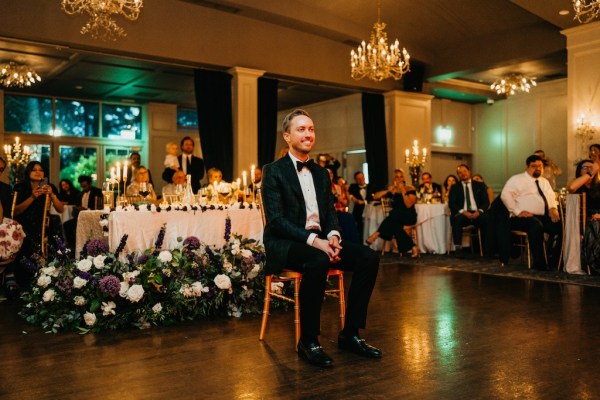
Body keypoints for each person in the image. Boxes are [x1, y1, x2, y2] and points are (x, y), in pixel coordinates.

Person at [262, 109, 381, 367]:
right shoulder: (273, 171)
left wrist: (334, 236)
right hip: (285, 242)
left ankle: (350, 334)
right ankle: (308, 340)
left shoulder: (321, 173)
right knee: (317, 260)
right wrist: (317, 242)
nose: (308, 134)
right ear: (287, 136)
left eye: (311, 129)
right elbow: (277, 221)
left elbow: (330, 213)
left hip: (320, 239)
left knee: (368, 257)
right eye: (301, 129)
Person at [501, 154, 562, 270]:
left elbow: (550, 196)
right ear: (527, 167)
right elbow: (505, 195)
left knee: (562, 227)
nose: (538, 168)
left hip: (541, 216)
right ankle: (539, 263)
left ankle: (555, 260)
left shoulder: (544, 181)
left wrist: (553, 208)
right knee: (536, 225)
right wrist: (518, 211)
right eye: (534, 166)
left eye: (540, 166)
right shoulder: (517, 179)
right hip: (520, 218)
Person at [13, 161, 64, 283]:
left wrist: (52, 195)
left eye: (40, 170)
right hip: (24, 226)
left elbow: (60, 209)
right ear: (28, 172)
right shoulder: (20, 187)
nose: (38, 172)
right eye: (34, 170)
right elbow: (15, 212)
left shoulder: (49, 187)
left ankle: (46, 280)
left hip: (44, 226)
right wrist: (33, 197)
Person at [365, 169, 418, 257]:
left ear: (404, 178)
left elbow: (408, 205)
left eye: (401, 176)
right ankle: (413, 247)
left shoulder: (410, 188)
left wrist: (402, 190)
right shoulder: (392, 190)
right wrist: (388, 191)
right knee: (395, 223)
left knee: (394, 213)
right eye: (397, 177)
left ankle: (376, 234)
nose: (399, 179)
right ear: (394, 179)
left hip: (409, 216)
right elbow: (375, 197)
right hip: (396, 219)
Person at [448, 164, 490, 257]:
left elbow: (486, 202)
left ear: (469, 171)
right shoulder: (455, 187)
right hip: (463, 213)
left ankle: (488, 249)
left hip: (477, 213)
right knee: (457, 219)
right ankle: (458, 248)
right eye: (460, 173)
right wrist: (463, 211)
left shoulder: (479, 185)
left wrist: (479, 212)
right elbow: (452, 204)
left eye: (464, 171)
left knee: (488, 219)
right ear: (458, 175)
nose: (463, 174)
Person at [348, 171, 374, 238]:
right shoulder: (353, 187)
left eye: (362, 177)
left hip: (370, 211)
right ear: (356, 180)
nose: (361, 179)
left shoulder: (371, 186)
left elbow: (373, 197)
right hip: (358, 211)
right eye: (358, 178)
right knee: (358, 229)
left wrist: (363, 202)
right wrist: (356, 200)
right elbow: (350, 196)